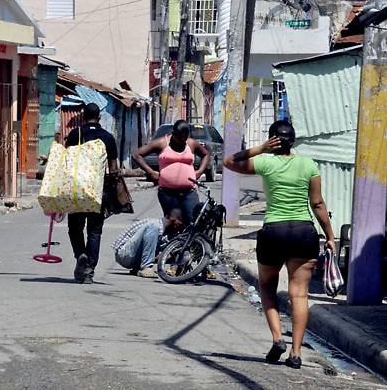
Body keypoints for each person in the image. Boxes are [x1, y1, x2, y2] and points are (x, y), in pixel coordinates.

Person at [223, 120, 335, 370]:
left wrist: (261, 148)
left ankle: (277, 338)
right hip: (304, 233)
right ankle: (295, 353)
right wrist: (329, 235)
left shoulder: (265, 162)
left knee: (267, 287)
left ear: (273, 140)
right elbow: (317, 204)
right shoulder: (308, 165)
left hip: (273, 232)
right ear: (293, 141)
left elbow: (229, 162)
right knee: (299, 295)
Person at [65, 103, 119, 284]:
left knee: (74, 227)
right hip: (98, 190)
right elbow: (113, 170)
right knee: (94, 232)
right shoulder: (108, 138)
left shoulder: (75, 135)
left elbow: (67, 164)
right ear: (100, 117)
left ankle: (80, 254)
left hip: (77, 190)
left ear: (82, 117)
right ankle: (88, 271)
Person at [131, 120, 209, 225]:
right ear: (173, 133)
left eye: (184, 138)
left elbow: (206, 155)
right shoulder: (162, 143)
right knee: (174, 222)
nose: (181, 140)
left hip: (189, 192)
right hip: (168, 193)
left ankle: (189, 241)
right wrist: (151, 172)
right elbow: (136, 155)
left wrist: (199, 172)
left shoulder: (191, 143)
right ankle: (171, 241)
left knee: (193, 221)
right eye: (179, 137)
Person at [112, 209, 183, 278]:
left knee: (172, 244)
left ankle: (138, 268)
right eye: (179, 222)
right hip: (124, 254)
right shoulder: (154, 225)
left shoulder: (166, 232)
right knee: (153, 227)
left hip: (133, 257)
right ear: (172, 218)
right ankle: (146, 267)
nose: (179, 226)